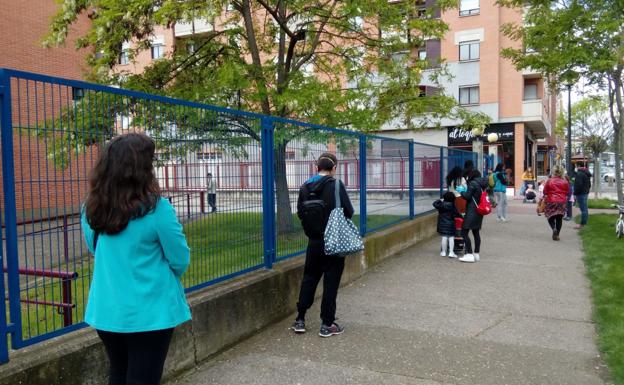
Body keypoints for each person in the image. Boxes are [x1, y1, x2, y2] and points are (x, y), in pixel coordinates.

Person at [81, 133, 191, 385]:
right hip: (151, 315)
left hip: (107, 312)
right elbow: (180, 258)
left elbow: (96, 249)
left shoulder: (91, 208)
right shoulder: (156, 209)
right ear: (141, 170)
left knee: (119, 373)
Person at [292, 152, 354, 338]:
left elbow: (301, 212)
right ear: (334, 167)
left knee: (309, 278)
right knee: (331, 282)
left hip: (314, 241)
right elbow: (349, 211)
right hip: (333, 242)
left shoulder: (305, 186)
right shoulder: (336, 184)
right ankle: (327, 324)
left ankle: (300, 319)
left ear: (316, 167)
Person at [458, 169, 489, 263]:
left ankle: (469, 254)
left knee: (464, 232)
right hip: (479, 211)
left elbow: (467, 196)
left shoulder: (472, 183)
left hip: (472, 211)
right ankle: (476, 254)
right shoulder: (482, 184)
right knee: (476, 233)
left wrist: (461, 191)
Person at [543, 165, 570, 240]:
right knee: (559, 218)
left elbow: (545, 191)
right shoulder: (565, 181)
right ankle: (557, 234)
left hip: (551, 201)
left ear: (553, 172)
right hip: (562, 201)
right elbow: (567, 192)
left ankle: (553, 228)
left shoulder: (549, 181)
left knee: (550, 216)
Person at [433, 192, 460, 259]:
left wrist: (440, 200)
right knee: (451, 238)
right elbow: (457, 214)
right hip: (451, 224)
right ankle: (451, 252)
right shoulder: (453, 206)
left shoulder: (441, 205)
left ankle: (443, 252)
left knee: (444, 237)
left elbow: (434, 204)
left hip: (442, 224)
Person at [573, 161, 592, 229]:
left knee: (583, 209)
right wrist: (587, 190)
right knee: (585, 208)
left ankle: (582, 224)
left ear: (578, 166)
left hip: (580, 194)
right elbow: (589, 184)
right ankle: (584, 222)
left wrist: (575, 193)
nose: (575, 167)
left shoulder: (579, 174)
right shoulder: (586, 172)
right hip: (585, 193)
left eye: (575, 166)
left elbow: (579, 185)